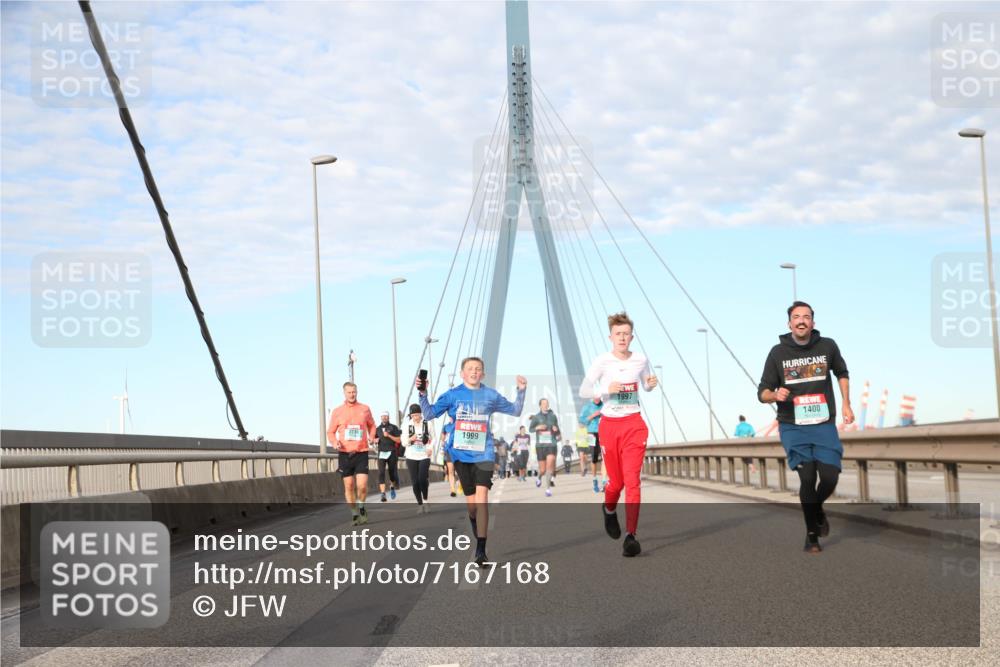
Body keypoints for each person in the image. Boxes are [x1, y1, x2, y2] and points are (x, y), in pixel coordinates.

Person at [757, 301, 853, 554]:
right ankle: (812, 536)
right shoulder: (777, 353)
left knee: (831, 475)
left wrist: (846, 404)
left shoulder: (827, 346)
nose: (801, 321)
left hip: (823, 424)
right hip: (793, 426)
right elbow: (762, 392)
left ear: (813, 322)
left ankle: (817, 508)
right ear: (789, 323)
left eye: (806, 317)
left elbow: (842, 373)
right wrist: (774, 395)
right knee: (808, 477)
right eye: (796, 317)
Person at [419, 357, 526, 566]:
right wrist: (422, 394)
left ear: (483, 374)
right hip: (460, 455)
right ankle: (474, 522)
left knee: (482, 497)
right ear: (462, 373)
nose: (474, 372)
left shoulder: (490, 395)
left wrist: (521, 391)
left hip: (484, 453)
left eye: (478, 369)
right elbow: (429, 413)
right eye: (470, 369)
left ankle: (481, 550)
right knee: (472, 506)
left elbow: (515, 410)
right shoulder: (452, 395)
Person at [579, 312, 657, 557]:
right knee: (617, 483)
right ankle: (609, 509)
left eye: (626, 334)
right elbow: (584, 390)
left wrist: (650, 385)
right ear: (611, 337)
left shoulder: (641, 359)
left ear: (631, 337)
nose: (622, 338)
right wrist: (605, 389)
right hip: (610, 426)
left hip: (634, 424)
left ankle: (631, 536)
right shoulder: (602, 361)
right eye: (618, 334)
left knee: (633, 481)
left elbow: (645, 384)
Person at [327, 382, 377, 526]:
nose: (352, 394)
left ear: (357, 392)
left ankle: (361, 507)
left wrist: (372, 436)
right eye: (349, 392)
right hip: (344, 453)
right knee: (349, 486)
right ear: (344, 393)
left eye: (354, 392)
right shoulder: (337, 411)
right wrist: (334, 442)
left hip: (361, 452)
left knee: (361, 486)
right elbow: (330, 431)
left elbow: (372, 425)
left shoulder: (365, 409)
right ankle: (354, 514)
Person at [404, 403, 435, 513]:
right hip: (411, 456)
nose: (416, 418)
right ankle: (420, 504)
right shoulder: (407, 425)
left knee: (422, 479)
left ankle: (426, 501)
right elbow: (403, 442)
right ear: (411, 416)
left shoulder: (428, 424)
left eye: (417, 415)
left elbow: (434, 438)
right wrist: (409, 439)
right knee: (415, 482)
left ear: (421, 414)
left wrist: (430, 448)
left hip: (424, 455)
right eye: (413, 416)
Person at [529, 398, 561, 497]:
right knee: (542, 470)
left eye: (547, 403)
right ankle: (539, 477)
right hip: (540, 446)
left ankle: (548, 489)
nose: (545, 405)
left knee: (549, 466)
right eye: (543, 403)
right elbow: (531, 429)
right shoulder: (536, 417)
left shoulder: (553, 416)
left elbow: (557, 429)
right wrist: (537, 428)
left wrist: (556, 430)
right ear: (540, 405)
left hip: (551, 444)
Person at [579, 396, 605, 493]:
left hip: (603, 433)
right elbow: (581, 421)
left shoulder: (605, 406)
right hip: (591, 433)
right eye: (595, 396)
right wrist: (593, 415)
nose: (597, 398)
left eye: (599, 396)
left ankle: (604, 481)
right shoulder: (587, 407)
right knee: (594, 458)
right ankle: (594, 480)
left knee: (605, 457)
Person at [375, 412, 402, 502]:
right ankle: (383, 494)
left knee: (392, 473)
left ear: (388, 417)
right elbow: (372, 440)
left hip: (392, 452)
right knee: (381, 473)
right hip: (381, 453)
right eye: (382, 416)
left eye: (386, 416)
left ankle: (392, 487)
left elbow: (399, 440)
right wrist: (374, 440)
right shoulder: (377, 429)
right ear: (381, 417)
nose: (384, 418)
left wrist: (389, 435)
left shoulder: (393, 427)